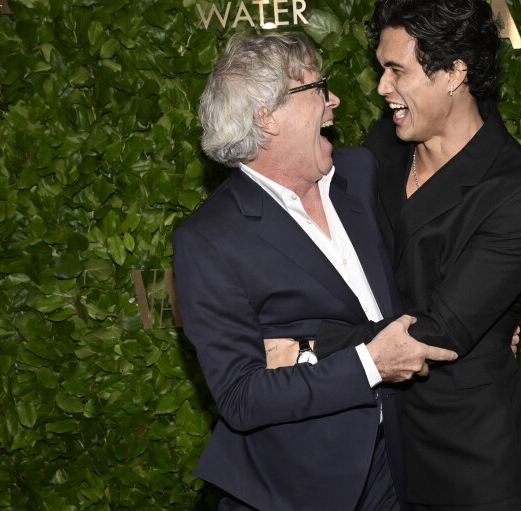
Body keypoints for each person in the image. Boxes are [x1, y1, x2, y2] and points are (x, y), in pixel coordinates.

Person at [172, 32, 458, 511]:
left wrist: (478, 321)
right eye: (318, 88)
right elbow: (243, 396)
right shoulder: (208, 240)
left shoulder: (360, 173)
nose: (335, 100)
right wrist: (370, 363)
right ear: (267, 116)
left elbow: (426, 254)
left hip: (398, 466)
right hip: (294, 489)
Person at [361, 0, 521, 508]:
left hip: (471, 458)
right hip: (377, 445)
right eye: (380, 70)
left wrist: (305, 346)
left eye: (396, 71)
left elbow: (439, 333)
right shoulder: (380, 147)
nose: (382, 88)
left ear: (454, 73)